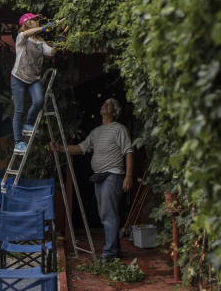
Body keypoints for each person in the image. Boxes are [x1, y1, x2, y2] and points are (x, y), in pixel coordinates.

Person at [52, 98, 134, 260]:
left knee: (108, 214)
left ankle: (109, 253)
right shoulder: (96, 132)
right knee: (107, 213)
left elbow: (128, 152)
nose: (105, 105)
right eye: (104, 103)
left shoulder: (119, 129)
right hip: (99, 176)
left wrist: (129, 175)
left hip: (113, 174)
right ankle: (114, 250)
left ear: (115, 111)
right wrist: (60, 148)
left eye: (109, 104)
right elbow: (81, 148)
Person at [11, 13, 58, 153]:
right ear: (27, 23)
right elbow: (26, 34)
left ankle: (28, 123)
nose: (37, 21)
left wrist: (58, 43)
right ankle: (18, 142)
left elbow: (51, 53)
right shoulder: (21, 37)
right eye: (35, 19)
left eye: (37, 20)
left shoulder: (40, 41)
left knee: (38, 101)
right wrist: (44, 27)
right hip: (18, 78)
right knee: (19, 110)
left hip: (33, 79)